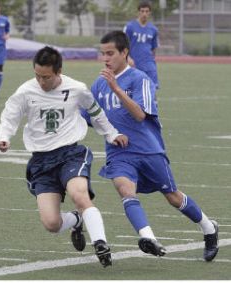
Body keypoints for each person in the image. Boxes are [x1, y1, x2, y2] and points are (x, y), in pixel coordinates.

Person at [82, 30, 219, 262]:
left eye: (110, 53)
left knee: (173, 197)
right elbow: (86, 117)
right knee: (125, 190)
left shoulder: (139, 79)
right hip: (119, 153)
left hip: (148, 149)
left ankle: (209, 228)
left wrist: (116, 89)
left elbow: (139, 115)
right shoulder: (98, 85)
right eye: (102, 53)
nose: (105, 58)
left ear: (124, 52)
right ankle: (149, 238)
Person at [0, 46, 128, 267]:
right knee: (51, 224)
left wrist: (112, 133)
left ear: (59, 71)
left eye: (46, 77)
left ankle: (100, 243)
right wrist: (4, 136)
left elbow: (96, 112)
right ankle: (76, 220)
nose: (41, 81)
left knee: (79, 195)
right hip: (41, 162)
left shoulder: (77, 89)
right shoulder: (25, 91)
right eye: (37, 75)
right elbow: (10, 117)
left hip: (70, 154)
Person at [123, 1, 159, 89]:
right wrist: (128, 58)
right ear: (138, 12)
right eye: (142, 11)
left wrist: (152, 61)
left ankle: (153, 103)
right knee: (130, 90)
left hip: (148, 64)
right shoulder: (130, 27)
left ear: (149, 13)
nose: (144, 14)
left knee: (151, 89)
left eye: (147, 11)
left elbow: (154, 49)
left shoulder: (153, 29)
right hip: (134, 63)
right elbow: (123, 44)